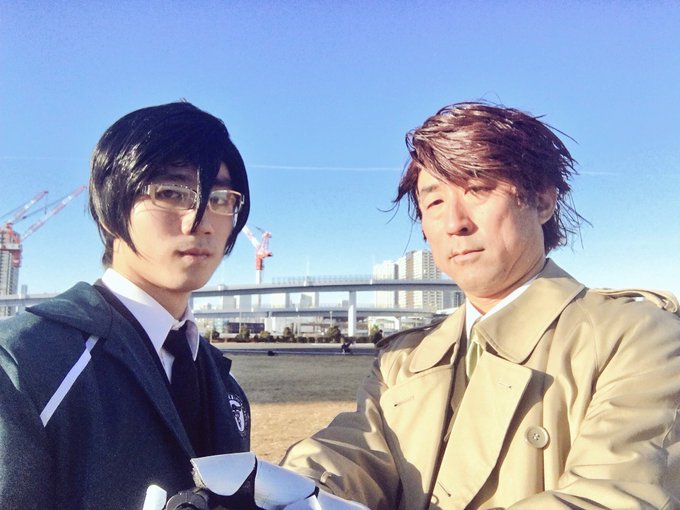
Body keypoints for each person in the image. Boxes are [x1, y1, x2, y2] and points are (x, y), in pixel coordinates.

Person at [282, 102, 680, 509]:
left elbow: (618, 494)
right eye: (434, 202)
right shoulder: (404, 358)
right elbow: (356, 452)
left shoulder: (640, 337)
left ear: (543, 201)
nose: (455, 222)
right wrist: (287, 488)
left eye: (478, 188)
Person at [0, 101, 252, 509]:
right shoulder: (24, 365)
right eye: (171, 192)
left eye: (221, 199)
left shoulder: (225, 385)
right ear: (109, 209)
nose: (201, 221)